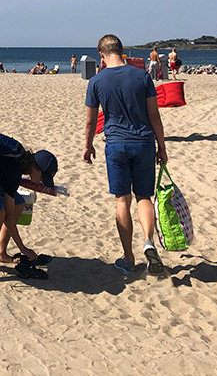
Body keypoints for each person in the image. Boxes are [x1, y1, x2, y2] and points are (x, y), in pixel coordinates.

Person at [84, 34, 168, 276]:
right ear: (122, 51)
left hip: (116, 145)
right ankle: (148, 241)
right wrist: (161, 146)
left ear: (101, 55)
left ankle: (129, 258)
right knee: (144, 197)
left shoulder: (97, 81)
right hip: (143, 143)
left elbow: (91, 122)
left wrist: (88, 145)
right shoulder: (142, 76)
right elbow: (155, 116)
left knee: (122, 200)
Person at [0, 132, 57, 279]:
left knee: (20, 203)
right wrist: (23, 248)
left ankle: (0, 252)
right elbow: (8, 217)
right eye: (42, 177)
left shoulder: (19, 160)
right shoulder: (14, 168)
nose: (41, 182)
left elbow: (10, 188)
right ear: (35, 168)